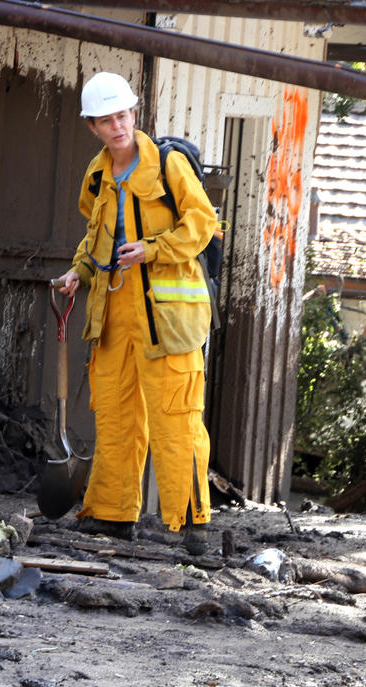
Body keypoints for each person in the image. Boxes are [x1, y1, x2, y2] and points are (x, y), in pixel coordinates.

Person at [54, 71, 217, 553]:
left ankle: (191, 523)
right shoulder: (97, 174)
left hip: (167, 315)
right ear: (93, 126)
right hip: (113, 312)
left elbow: (202, 224)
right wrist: (78, 272)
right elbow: (96, 235)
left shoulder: (168, 165)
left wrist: (154, 249)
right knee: (116, 413)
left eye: (123, 116)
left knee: (176, 416)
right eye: (107, 121)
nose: (118, 127)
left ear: (134, 112)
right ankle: (110, 513)